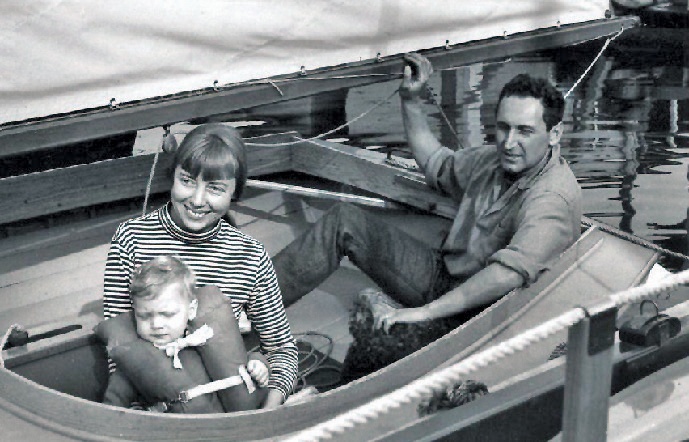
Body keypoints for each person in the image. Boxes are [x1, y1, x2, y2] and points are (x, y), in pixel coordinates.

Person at [272, 52, 581, 335]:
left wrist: (423, 313)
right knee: (344, 219)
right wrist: (410, 99)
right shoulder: (492, 161)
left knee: (379, 345)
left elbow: (507, 275)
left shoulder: (552, 195)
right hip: (440, 275)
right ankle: (256, 307)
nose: (509, 143)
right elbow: (436, 162)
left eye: (524, 131)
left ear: (554, 134)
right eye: (503, 128)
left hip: (479, 311)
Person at [103, 123, 297, 409]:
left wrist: (267, 415)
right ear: (172, 178)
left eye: (215, 188)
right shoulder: (131, 239)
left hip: (235, 401)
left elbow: (282, 350)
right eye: (187, 180)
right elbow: (120, 347)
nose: (196, 200)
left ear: (234, 193)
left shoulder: (251, 255)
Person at [101, 255, 269, 409]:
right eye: (144, 316)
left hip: (237, 427)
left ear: (191, 310)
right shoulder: (134, 363)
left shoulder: (204, 338)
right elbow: (114, 408)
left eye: (167, 314)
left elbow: (243, 359)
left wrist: (258, 364)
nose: (156, 324)